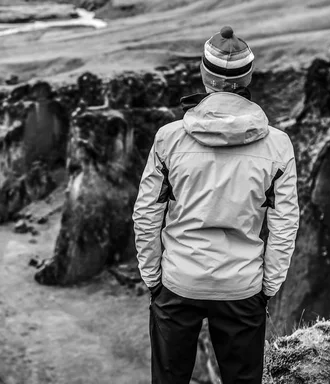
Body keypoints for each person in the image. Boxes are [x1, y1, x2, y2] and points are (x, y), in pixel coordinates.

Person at [132, 26, 300, 384]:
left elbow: (147, 214)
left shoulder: (169, 139)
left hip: (178, 281)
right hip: (242, 286)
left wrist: (153, 278)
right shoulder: (278, 146)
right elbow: (285, 224)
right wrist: (267, 286)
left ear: (205, 75)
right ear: (247, 76)